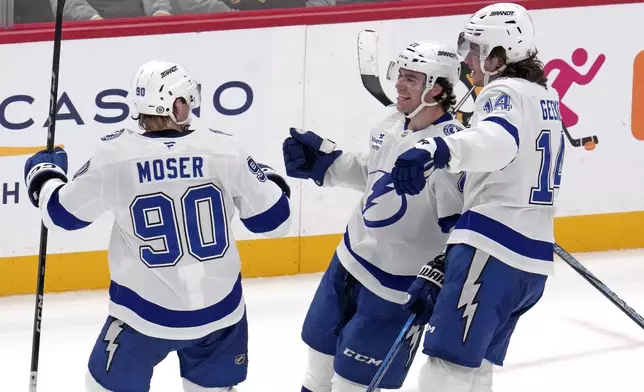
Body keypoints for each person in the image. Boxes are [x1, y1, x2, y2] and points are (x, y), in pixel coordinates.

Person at [24, 60, 292, 392]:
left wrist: (45, 176)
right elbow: (276, 220)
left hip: (144, 318)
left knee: (101, 386)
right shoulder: (225, 149)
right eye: (187, 98)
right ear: (177, 106)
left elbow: (60, 216)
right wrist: (270, 179)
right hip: (220, 317)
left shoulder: (115, 155)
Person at [391, 3, 565, 391]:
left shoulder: (502, 90)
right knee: (476, 368)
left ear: (499, 55)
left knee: (447, 366)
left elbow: (500, 142)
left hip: (492, 247)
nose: (468, 59)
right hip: (532, 259)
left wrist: (440, 148)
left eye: (476, 49)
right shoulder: (544, 95)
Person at [282, 41, 465, 391]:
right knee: (317, 371)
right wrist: (326, 165)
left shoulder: (453, 152)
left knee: (352, 385)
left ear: (437, 88)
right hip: (348, 263)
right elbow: (374, 174)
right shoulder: (392, 123)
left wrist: (444, 274)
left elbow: (461, 226)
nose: (399, 84)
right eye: (401, 76)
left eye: (411, 78)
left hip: (396, 288)